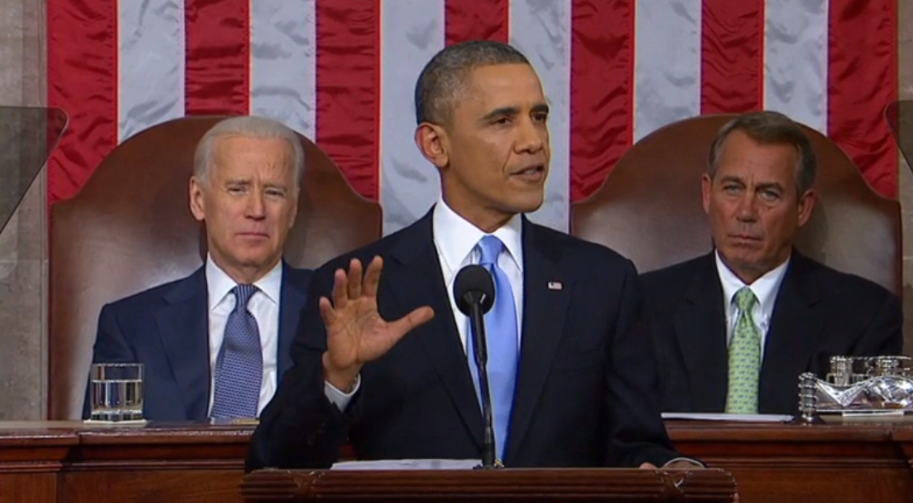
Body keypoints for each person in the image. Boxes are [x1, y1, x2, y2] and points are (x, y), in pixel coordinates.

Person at [247, 40, 697, 470]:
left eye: (538, 117)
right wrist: (336, 378)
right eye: (503, 121)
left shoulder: (601, 281)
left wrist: (675, 469)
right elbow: (276, 463)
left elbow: (635, 446)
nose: (533, 141)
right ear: (435, 145)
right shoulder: (358, 286)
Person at [641, 111, 903, 415]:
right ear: (707, 194)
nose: (746, 212)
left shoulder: (864, 315)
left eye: (768, 193)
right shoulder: (644, 305)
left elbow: (867, 447)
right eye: (733, 189)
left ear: (802, 208)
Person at [87, 116, 312, 421]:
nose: (256, 210)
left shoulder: (335, 312)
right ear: (198, 199)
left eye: (273, 192)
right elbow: (103, 456)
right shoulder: (130, 327)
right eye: (237, 189)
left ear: (293, 210)